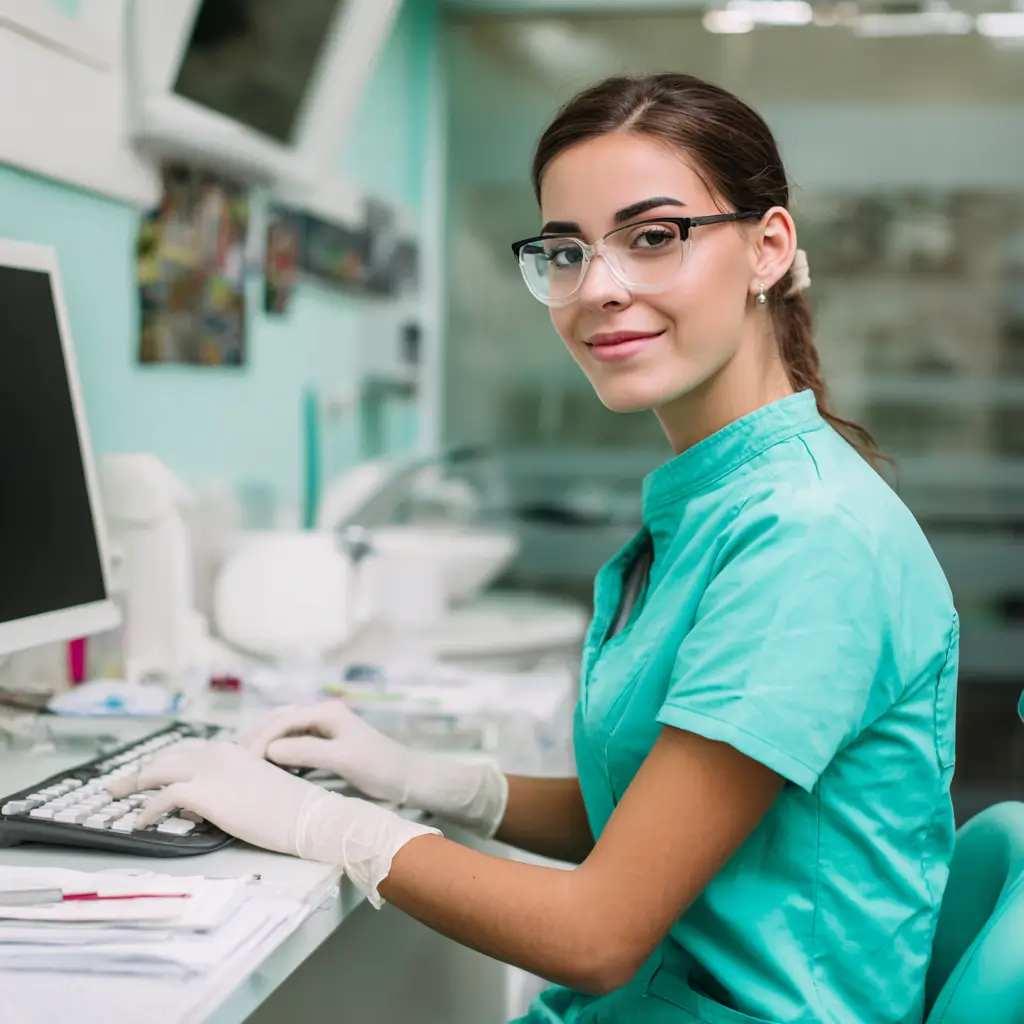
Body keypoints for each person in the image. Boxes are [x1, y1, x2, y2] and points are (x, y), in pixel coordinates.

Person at [112, 73, 959, 1024]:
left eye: (653, 238)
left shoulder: (806, 537)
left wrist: (322, 823)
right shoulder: (724, 500)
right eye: (565, 251)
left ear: (767, 248)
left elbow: (597, 937)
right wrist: (427, 781)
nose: (598, 288)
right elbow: (646, 819)